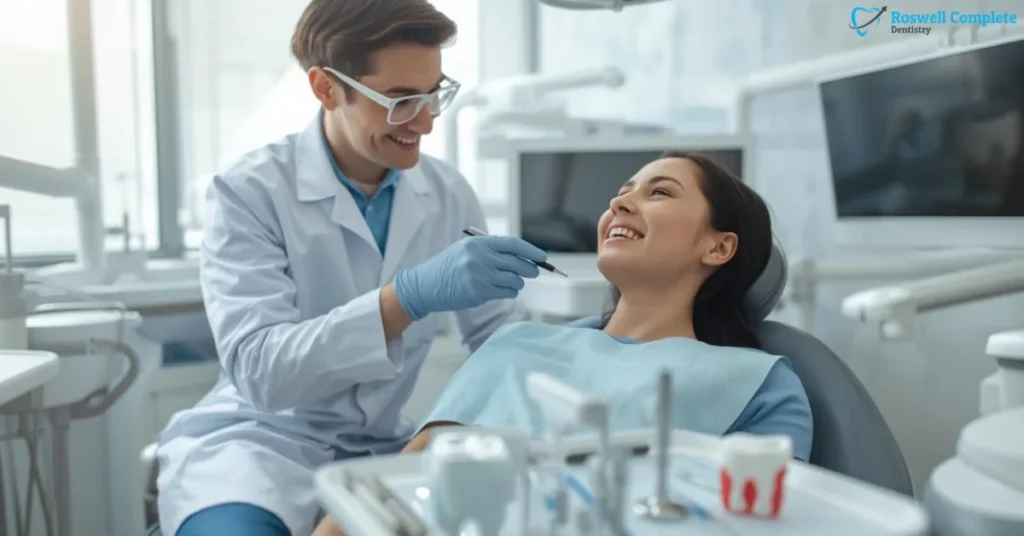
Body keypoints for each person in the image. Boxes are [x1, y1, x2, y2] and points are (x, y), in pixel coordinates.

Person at [155, 1, 548, 535]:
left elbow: (500, 336)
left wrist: (571, 346)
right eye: (402, 100)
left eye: (435, 94)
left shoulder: (449, 193)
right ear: (325, 88)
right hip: (257, 448)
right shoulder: (250, 192)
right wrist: (403, 299)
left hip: (382, 449)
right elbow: (260, 372)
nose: (427, 121)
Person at [313, 151, 814, 536]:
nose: (619, 203)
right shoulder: (516, 346)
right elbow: (380, 498)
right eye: (622, 192)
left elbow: (766, 520)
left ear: (719, 246)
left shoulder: (757, 383)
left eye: (659, 193)